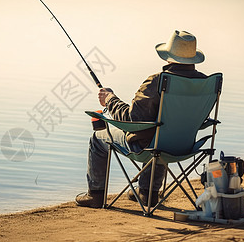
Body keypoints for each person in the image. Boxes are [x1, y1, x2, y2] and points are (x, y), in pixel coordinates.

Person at [76, 30, 207, 208]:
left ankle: (96, 195)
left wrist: (110, 100)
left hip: (149, 146)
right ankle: (147, 192)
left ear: (168, 57)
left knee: (98, 139)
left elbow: (131, 121)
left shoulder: (158, 82)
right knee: (160, 130)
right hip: (185, 146)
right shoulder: (204, 85)